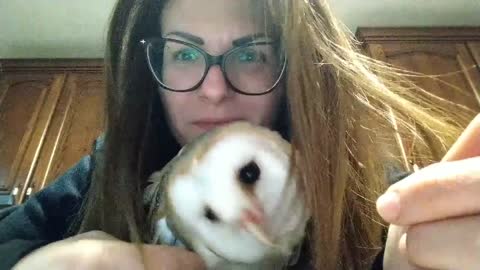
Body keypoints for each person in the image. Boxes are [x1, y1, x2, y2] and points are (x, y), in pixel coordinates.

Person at [1, 0, 479, 269]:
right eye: (184, 54)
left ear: (296, 71)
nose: (214, 90)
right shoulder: (110, 167)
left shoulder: (378, 196)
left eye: (251, 55)